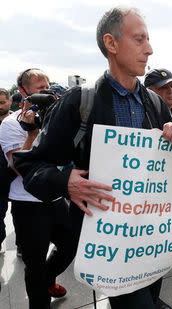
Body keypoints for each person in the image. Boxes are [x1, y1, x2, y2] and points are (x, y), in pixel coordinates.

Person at [13, 6, 172, 309]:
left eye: (148, 39)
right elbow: (31, 165)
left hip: (151, 241)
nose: (150, 49)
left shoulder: (156, 105)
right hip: (109, 245)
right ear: (112, 43)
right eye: (139, 39)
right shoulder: (80, 102)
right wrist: (65, 181)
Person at [0, 69, 73, 309]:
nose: (47, 91)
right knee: (35, 264)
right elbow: (17, 164)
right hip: (27, 204)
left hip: (55, 199)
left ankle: (47, 279)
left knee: (71, 245)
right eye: (40, 88)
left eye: (48, 86)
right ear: (23, 92)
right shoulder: (11, 124)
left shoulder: (57, 116)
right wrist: (31, 132)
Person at [0, 87, 12, 252]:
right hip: (0, 179)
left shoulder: (19, 122)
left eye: (2, 102)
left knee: (19, 214)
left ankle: (22, 244)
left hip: (17, 177)